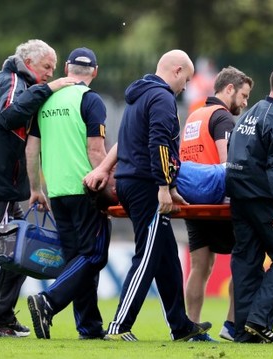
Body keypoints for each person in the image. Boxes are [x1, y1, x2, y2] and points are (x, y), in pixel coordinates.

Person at [83, 49, 212, 341]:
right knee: (147, 256)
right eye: (187, 79)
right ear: (177, 71)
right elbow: (160, 144)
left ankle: (181, 326)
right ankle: (119, 326)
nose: (186, 87)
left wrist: (172, 187)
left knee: (166, 255)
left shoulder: (139, 96)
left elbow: (130, 143)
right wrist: (165, 187)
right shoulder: (162, 97)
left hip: (131, 182)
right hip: (147, 185)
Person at [0, 39, 76, 337]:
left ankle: (2, 314)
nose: (51, 73)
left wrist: (32, 188)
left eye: (53, 68)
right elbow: (9, 115)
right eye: (47, 66)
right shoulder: (13, 81)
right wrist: (48, 89)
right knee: (1, 248)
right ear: (29, 63)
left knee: (19, 245)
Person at [25, 47, 112, 340]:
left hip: (57, 191)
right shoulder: (91, 99)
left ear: (66, 68)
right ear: (95, 72)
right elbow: (95, 150)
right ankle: (48, 301)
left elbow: (32, 149)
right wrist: (108, 186)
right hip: (86, 187)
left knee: (77, 259)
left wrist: (36, 188)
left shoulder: (46, 99)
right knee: (95, 255)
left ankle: (89, 327)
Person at [225, 65, 273, 343]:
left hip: (238, 197)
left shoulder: (249, 114)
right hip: (266, 201)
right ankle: (259, 320)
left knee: (246, 262)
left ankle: (244, 333)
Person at [179, 66, 254, 342]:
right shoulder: (222, 117)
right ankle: (232, 324)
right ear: (229, 89)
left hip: (192, 201)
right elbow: (228, 165)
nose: (245, 103)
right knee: (245, 260)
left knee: (200, 267)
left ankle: (191, 326)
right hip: (219, 204)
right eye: (244, 96)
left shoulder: (194, 116)